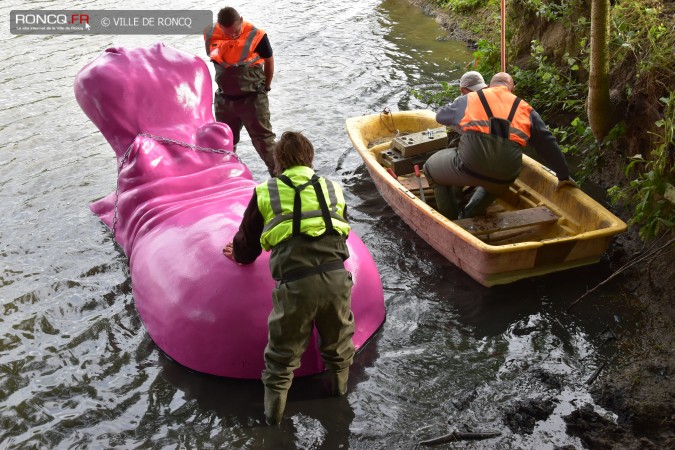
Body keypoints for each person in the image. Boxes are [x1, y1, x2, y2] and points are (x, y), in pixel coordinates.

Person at [222, 131, 355, 425]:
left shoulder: (265, 191)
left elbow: (247, 244)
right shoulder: (332, 188)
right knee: (339, 348)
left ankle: (272, 425)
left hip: (296, 286)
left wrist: (238, 254)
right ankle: (339, 405)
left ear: (279, 160)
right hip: (337, 278)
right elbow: (340, 225)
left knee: (281, 361)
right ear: (310, 158)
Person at [424, 72, 577, 219]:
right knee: (495, 184)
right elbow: (548, 143)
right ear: (512, 89)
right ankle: (469, 214)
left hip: (470, 165)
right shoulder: (526, 109)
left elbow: (441, 116)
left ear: (489, 85)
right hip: (506, 176)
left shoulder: (471, 98)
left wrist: (465, 123)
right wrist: (563, 175)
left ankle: (450, 218)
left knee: (429, 168)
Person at [204, 7, 276, 175]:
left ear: (241, 20)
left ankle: (282, 178)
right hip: (225, 100)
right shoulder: (210, 33)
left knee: (264, 142)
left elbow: (270, 61)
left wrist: (266, 86)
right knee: (224, 142)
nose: (233, 36)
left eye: (236, 32)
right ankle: (224, 179)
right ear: (220, 26)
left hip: (253, 98)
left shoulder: (257, 36)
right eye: (228, 33)